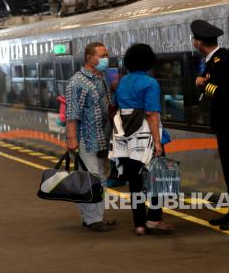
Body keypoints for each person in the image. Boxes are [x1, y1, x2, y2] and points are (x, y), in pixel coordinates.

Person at [191, 19, 229, 230]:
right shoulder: (214, 60)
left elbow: (223, 93)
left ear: (198, 42)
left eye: (194, 39)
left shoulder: (222, 60)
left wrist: (202, 85)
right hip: (227, 124)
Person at [110, 43, 174, 236]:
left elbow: (114, 106)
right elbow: (152, 114)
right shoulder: (150, 83)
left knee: (135, 182)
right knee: (160, 177)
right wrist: (157, 143)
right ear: (149, 61)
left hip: (126, 138)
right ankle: (154, 218)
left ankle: (139, 224)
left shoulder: (123, 82)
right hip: (145, 137)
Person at [65, 42, 116, 232]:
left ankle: (95, 216)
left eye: (106, 55)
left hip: (103, 137)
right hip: (85, 139)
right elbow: (72, 113)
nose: (106, 59)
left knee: (101, 178)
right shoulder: (76, 82)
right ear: (89, 58)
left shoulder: (100, 79)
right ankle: (92, 218)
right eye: (102, 55)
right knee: (90, 178)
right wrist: (72, 139)